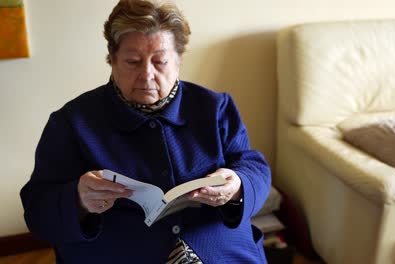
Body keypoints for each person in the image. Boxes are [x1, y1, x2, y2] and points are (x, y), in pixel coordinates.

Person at [20, 0, 271, 263]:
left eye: (160, 61)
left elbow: (252, 165)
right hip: (118, 252)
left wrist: (238, 185)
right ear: (112, 59)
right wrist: (78, 200)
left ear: (178, 61)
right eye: (133, 61)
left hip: (216, 248)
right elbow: (38, 211)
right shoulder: (72, 122)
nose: (147, 75)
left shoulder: (215, 107)